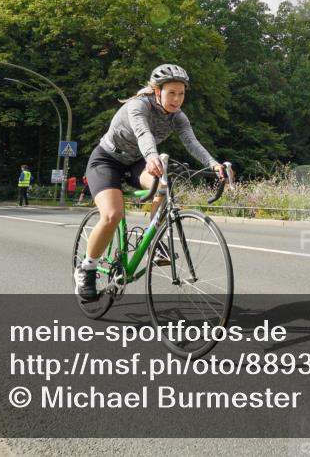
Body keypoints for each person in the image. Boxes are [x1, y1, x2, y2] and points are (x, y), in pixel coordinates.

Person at [75, 64, 225, 300]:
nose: (177, 99)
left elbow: (192, 142)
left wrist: (214, 164)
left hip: (136, 162)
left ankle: (154, 242)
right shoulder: (137, 106)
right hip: (107, 160)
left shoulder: (178, 117)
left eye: (181, 93)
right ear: (157, 91)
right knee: (113, 215)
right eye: (171, 93)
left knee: (163, 187)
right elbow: (143, 133)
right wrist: (152, 157)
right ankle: (87, 267)